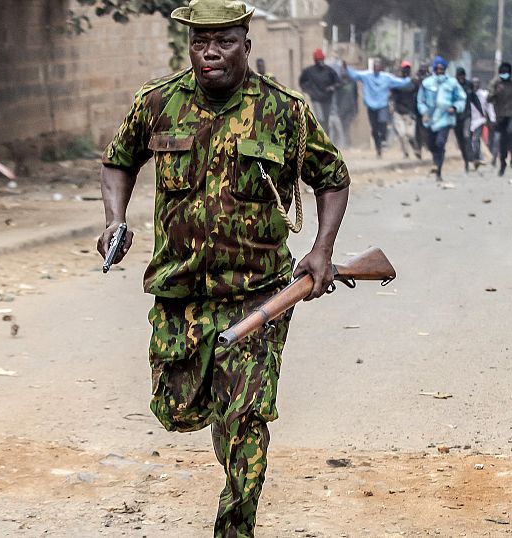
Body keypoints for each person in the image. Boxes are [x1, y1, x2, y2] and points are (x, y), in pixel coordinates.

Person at [97, 1, 351, 536]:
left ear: (247, 44)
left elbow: (332, 176)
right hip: (179, 294)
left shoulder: (285, 112)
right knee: (181, 407)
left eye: (225, 41)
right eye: (200, 42)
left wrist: (323, 249)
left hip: (258, 297)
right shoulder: (158, 104)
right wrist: (114, 221)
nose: (210, 52)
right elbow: (119, 160)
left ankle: (235, 526)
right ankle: (223, 410)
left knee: (246, 423)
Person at [347, 59, 412, 158]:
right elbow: (355, 74)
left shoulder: (386, 77)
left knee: (382, 123)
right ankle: (378, 149)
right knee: (374, 128)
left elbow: (400, 82)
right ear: (373, 68)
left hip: (382, 105)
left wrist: (409, 80)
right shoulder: (367, 76)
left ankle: (383, 140)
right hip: (371, 106)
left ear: (381, 68)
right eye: (375, 66)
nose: (376, 68)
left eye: (378, 66)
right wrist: (345, 68)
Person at [417, 56, 467, 182]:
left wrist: (455, 108)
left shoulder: (452, 83)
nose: (440, 71)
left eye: (442, 69)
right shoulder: (426, 83)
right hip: (430, 119)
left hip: (445, 118)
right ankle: (435, 162)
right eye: (437, 69)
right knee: (431, 145)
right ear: (434, 69)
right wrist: (424, 112)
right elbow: (420, 101)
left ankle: (438, 169)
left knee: (440, 143)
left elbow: (461, 98)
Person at [487, 62, 512, 177]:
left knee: (511, 131)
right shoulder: (495, 83)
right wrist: (497, 92)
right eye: (502, 73)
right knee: (502, 139)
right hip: (501, 113)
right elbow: (489, 99)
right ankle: (503, 162)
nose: (505, 75)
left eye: (507, 73)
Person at [298, 48, 341, 132]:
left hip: (327, 99)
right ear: (315, 60)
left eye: (322, 60)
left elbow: (338, 82)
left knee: (326, 119)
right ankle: (321, 136)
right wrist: (307, 90)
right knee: (320, 118)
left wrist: (333, 87)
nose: (320, 62)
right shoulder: (309, 71)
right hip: (316, 98)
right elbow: (301, 82)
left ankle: (326, 136)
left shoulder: (329, 71)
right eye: (318, 60)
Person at [390, 61, 421, 159]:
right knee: (402, 134)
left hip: (410, 113)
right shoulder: (397, 82)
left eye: (408, 69)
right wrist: (391, 105)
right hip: (398, 112)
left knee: (410, 135)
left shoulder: (414, 82)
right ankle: (406, 153)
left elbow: (419, 94)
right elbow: (392, 95)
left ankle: (416, 149)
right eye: (404, 69)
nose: (406, 71)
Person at [453, 67, 476, 171]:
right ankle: (466, 161)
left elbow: (474, 99)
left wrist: (481, 111)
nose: (461, 78)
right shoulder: (452, 86)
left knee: (467, 136)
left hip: (467, 114)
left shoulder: (469, 85)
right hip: (456, 117)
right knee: (460, 140)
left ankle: (471, 159)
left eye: (462, 75)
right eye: (459, 76)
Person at [332, 66, 358, 147]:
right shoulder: (338, 83)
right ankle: (345, 143)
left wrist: (356, 109)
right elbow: (336, 96)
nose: (343, 73)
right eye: (342, 71)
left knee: (346, 125)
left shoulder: (353, 82)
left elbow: (355, 96)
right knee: (343, 126)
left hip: (350, 108)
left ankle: (347, 142)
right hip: (341, 108)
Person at [467, 76, 487, 166]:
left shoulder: (484, 94)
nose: (475, 85)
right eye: (474, 83)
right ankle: (470, 156)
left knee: (476, 138)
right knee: (468, 138)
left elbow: (488, 106)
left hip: (480, 119)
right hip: (469, 119)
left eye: (477, 83)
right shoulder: (467, 94)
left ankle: (476, 156)